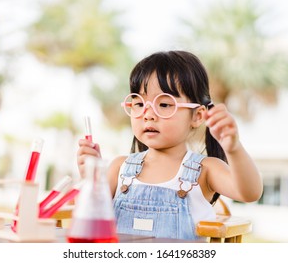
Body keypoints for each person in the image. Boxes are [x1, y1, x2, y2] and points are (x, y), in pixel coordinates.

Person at [77, 50, 263, 240]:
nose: (148, 114)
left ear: (198, 115)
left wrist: (234, 149)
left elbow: (250, 192)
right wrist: (92, 178)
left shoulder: (205, 169)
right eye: (139, 103)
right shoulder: (119, 168)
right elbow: (88, 219)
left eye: (164, 104)